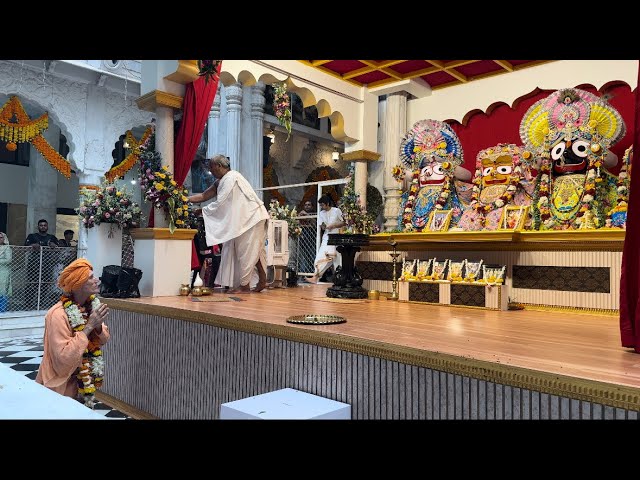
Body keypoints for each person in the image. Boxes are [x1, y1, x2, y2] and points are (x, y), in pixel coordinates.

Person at [188, 155, 269, 294]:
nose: (210, 170)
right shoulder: (220, 181)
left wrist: (202, 210)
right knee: (252, 251)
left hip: (251, 218)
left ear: (219, 166)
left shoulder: (231, 178)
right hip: (244, 220)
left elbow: (222, 203)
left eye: (211, 167)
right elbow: (203, 196)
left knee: (247, 251)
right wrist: (183, 198)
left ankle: (245, 286)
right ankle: (261, 281)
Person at [36, 258, 110, 409]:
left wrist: (97, 327)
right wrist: (89, 326)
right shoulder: (57, 315)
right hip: (58, 387)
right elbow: (64, 359)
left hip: (81, 384)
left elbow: (104, 339)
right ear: (78, 285)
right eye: (90, 277)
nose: (97, 280)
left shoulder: (91, 307)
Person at [303, 195, 345, 284]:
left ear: (328, 204)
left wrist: (334, 226)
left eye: (322, 205)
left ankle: (340, 279)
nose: (321, 207)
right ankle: (315, 277)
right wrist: (324, 226)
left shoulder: (336, 211)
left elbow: (344, 222)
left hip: (336, 237)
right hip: (326, 237)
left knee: (337, 259)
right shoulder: (321, 213)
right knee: (321, 256)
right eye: (320, 205)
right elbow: (321, 226)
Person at [24, 219, 59, 310]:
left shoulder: (52, 237)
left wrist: (53, 246)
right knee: (32, 285)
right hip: (33, 265)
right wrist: (32, 245)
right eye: (41, 225)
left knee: (44, 285)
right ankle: (28, 305)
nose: (43, 227)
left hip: (47, 265)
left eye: (45, 225)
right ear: (38, 226)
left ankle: (40, 305)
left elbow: (59, 249)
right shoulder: (32, 236)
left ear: (47, 227)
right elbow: (25, 248)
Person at [297, 200, 317, 274]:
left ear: (312, 206)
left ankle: (313, 273)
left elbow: (315, 224)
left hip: (312, 239)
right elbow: (296, 224)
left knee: (312, 257)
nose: (307, 206)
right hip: (303, 239)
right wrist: (298, 217)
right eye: (305, 205)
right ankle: (304, 274)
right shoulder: (301, 214)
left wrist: (308, 216)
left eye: (309, 205)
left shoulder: (314, 214)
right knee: (303, 258)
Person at [0, 232, 11, 312]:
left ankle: (2, 309)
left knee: (3, 290)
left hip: (3, 272)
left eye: (1, 237)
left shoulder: (7, 248)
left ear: (4, 239)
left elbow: (8, 259)